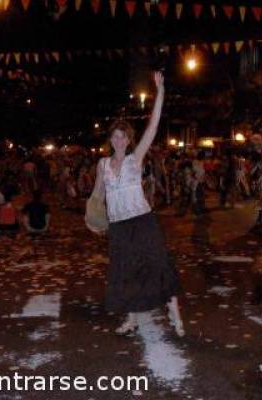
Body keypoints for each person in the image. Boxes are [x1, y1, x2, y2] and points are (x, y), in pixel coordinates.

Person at [86, 72, 184, 337]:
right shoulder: (103, 165)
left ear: (129, 140)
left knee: (158, 264)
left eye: (123, 137)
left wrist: (160, 90)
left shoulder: (135, 159)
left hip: (142, 221)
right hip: (118, 225)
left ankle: (173, 307)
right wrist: (93, 217)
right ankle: (131, 319)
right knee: (124, 271)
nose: (119, 140)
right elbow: (97, 194)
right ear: (111, 139)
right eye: (115, 136)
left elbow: (152, 127)